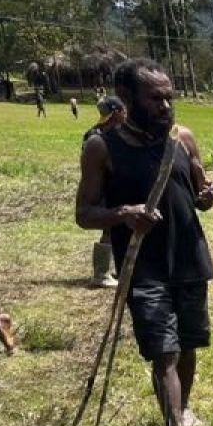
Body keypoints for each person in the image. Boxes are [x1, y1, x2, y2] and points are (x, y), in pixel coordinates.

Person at [74, 58, 213, 426]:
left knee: (188, 343)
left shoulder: (182, 139)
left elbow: (200, 191)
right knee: (164, 351)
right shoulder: (102, 148)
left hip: (189, 256)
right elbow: (84, 213)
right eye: (155, 99)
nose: (166, 106)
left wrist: (209, 195)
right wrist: (123, 213)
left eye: (169, 98)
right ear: (126, 97)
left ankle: (182, 411)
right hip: (142, 267)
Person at [84, 96, 128, 288]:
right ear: (117, 113)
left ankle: (119, 267)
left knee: (118, 228)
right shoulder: (101, 136)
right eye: (123, 111)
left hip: (112, 185)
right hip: (107, 187)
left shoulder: (95, 131)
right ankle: (101, 273)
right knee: (109, 228)